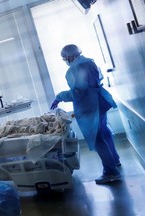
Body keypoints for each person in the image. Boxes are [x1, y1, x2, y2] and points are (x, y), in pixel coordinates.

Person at [50, 44, 121, 184]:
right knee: (104, 132)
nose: (65, 61)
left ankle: (111, 172)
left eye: (64, 58)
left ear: (69, 57)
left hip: (90, 106)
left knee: (98, 139)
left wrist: (59, 97)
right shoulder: (89, 62)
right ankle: (114, 160)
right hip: (100, 102)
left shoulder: (74, 69)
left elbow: (78, 91)